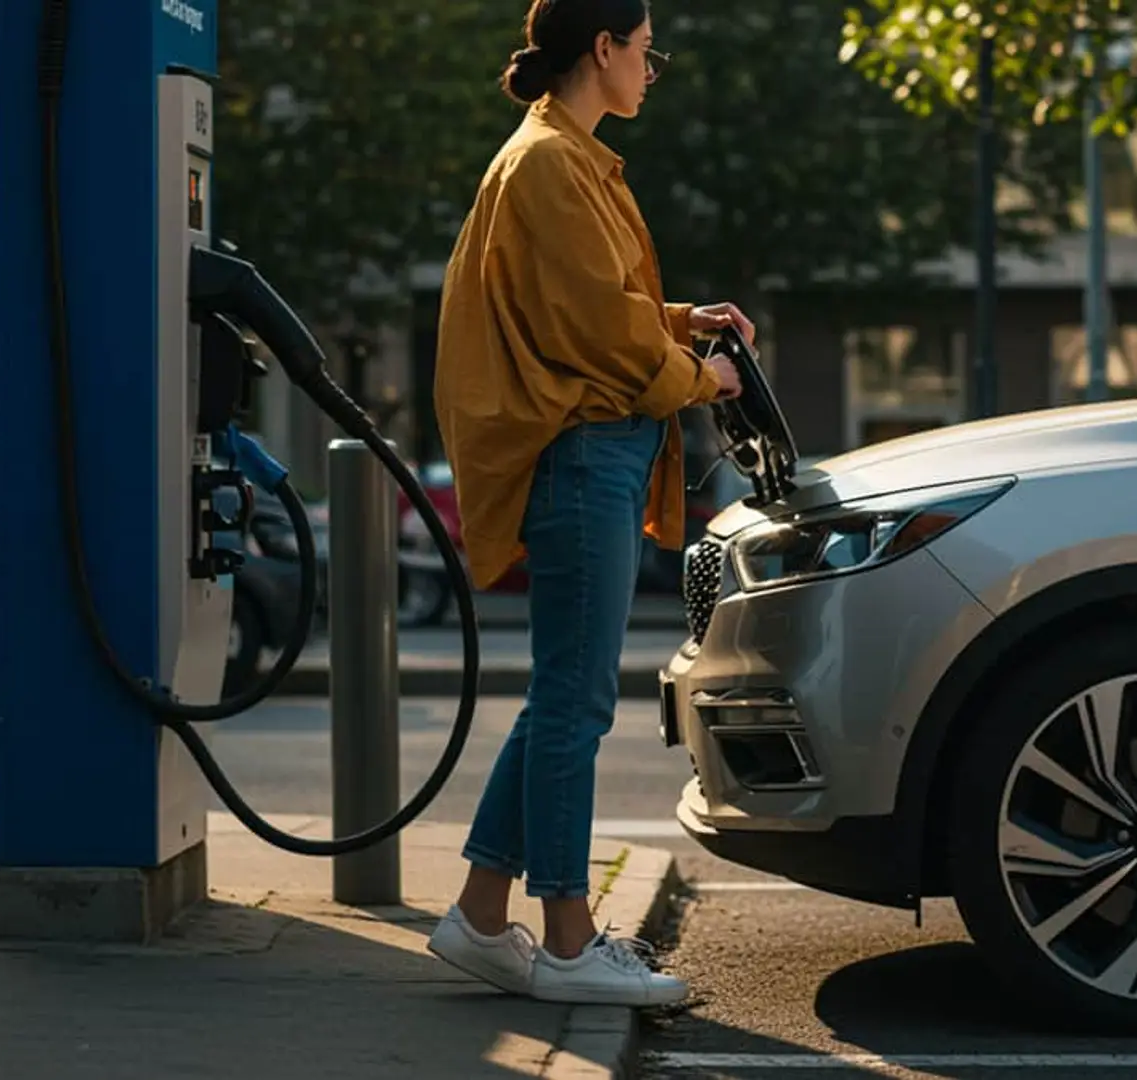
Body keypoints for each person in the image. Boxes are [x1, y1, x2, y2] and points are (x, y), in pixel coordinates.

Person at [424, 0, 749, 1008]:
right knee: (576, 703)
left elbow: (591, 307)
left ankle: (483, 916)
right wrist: (704, 378)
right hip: (583, 454)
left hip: (589, 452)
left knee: (563, 696)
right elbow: (603, 339)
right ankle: (567, 941)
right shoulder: (553, 166)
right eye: (647, 52)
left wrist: (685, 319)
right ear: (602, 49)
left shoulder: (561, 158)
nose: (654, 69)